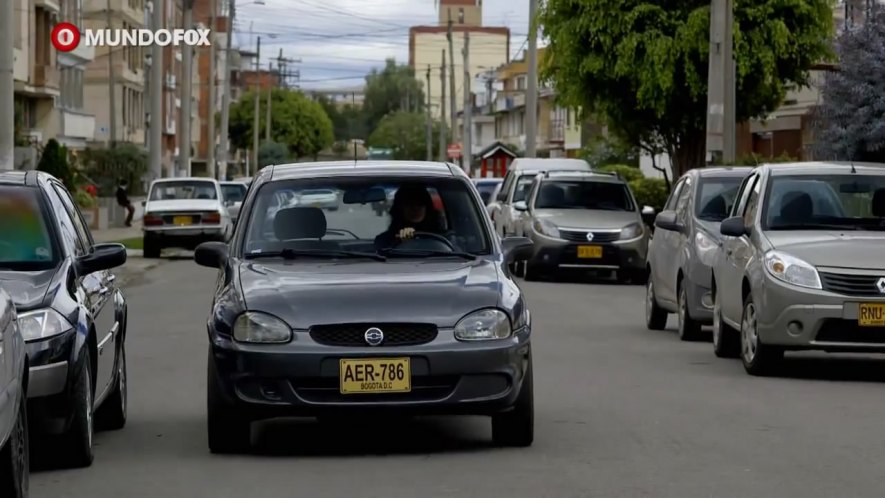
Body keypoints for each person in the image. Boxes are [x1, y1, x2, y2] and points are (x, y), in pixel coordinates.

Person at [374, 184, 445, 250]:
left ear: (427, 207)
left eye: (420, 204)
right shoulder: (384, 240)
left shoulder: (444, 238)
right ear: (400, 208)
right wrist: (399, 243)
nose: (415, 208)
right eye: (408, 204)